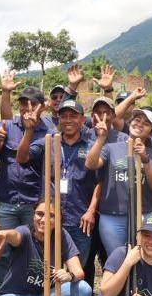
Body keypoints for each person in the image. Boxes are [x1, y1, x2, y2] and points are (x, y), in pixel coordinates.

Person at [18, 99, 98, 264]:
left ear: (83, 120)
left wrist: (91, 211)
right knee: (49, 269)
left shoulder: (91, 146)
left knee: (76, 269)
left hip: (79, 220)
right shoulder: (48, 142)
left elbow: (100, 181)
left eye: (73, 116)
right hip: (50, 220)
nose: (68, 120)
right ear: (58, 119)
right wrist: (29, 130)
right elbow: (22, 157)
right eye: (64, 116)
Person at [84, 108, 152, 255]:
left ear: (151, 132)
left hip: (143, 215)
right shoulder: (111, 148)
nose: (140, 124)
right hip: (112, 216)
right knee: (117, 259)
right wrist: (101, 138)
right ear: (130, 122)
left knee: (142, 259)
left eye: (146, 123)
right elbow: (90, 164)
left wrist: (146, 160)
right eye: (137, 120)